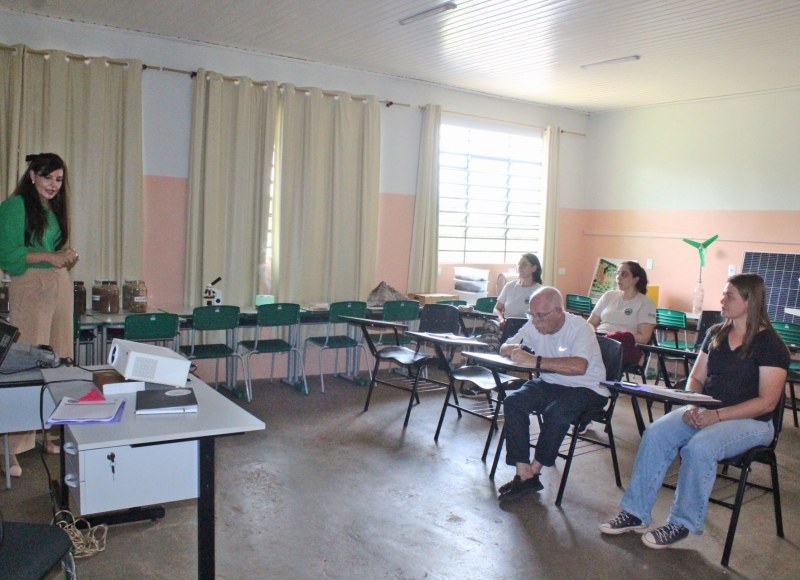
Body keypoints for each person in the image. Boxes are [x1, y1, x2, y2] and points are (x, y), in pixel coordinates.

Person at [599, 273, 789, 549]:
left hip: (753, 422)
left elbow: (767, 402)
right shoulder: (716, 334)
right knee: (656, 433)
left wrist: (717, 416)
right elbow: (696, 379)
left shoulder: (771, 344)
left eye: (729, 296)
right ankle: (636, 512)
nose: (722, 300)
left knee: (699, 447)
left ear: (750, 302)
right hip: (707, 410)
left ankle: (682, 523)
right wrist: (693, 405)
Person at [0, 153, 78, 477]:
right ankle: (9, 449)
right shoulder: (15, 206)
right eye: (47, 177)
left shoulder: (52, 209)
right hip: (31, 283)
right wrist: (52, 257)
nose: (53, 185)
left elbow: (56, 248)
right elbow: (10, 255)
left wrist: (65, 257)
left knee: (59, 357)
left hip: (58, 283)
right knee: (28, 361)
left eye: (58, 180)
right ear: (32, 175)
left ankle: (49, 432)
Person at [496, 287, 608, 501]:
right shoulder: (534, 325)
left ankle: (535, 469)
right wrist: (512, 350)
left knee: (556, 412)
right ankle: (524, 472)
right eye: (532, 315)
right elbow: (505, 346)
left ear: (558, 312)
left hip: (587, 387)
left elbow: (579, 366)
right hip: (549, 381)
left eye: (540, 316)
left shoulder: (580, 328)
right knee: (513, 402)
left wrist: (535, 361)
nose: (535, 321)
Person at [462, 253, 543, 398]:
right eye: (519, 264)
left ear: (534, 268)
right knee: (489, 328)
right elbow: (498, 308)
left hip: (528, 330)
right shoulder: (510, 286)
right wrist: (500, 319)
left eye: (524, 264)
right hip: (507, 326)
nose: (520, 267)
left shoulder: (539, 290)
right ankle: (487, 376)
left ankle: (494, 376)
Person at [588, 260, 656, 365]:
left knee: (593, 354)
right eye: (617, 273)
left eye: (624, 274)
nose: (618, 277)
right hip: (599, 339)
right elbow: (591, 323)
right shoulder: (608, 295)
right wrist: (592, 333)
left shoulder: (645, 302)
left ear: (635, 280)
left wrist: (616, 337)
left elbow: (644, 337)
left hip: (622, 345)